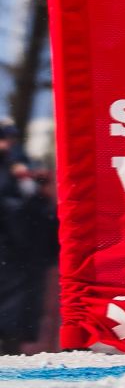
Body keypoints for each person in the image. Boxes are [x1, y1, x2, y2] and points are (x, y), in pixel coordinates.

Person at [1, 150, 57, 354]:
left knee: (18, 319)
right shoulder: (10, 185)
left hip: (27, 263)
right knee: (12, 315)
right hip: (12, 259)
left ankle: (12, 350)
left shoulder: (31, 192)